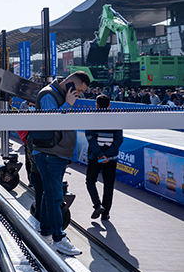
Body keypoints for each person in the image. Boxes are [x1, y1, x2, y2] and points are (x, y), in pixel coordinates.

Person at [28, 71, 90, 256]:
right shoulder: (49, 94)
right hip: (49, 153)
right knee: (55, 197)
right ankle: (58, 238)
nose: (79, 94)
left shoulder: (61, 96)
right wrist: (68, 104)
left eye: (81, 92)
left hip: (57, 153)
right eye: (78, 89)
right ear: (69, 82)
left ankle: (46, 231)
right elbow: (51, 121)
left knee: (49, 195)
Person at [85, 94, 123, 222]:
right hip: (111, 159)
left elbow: (90, 137)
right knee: (108, 185)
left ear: (96, 105)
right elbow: (119, 139)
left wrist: (100, 154)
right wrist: (108, 155)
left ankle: (97, 205)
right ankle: (105, 213)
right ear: (109, 105)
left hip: (95, 157)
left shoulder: (91, 117)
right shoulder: (116, 118)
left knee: (90, 181)